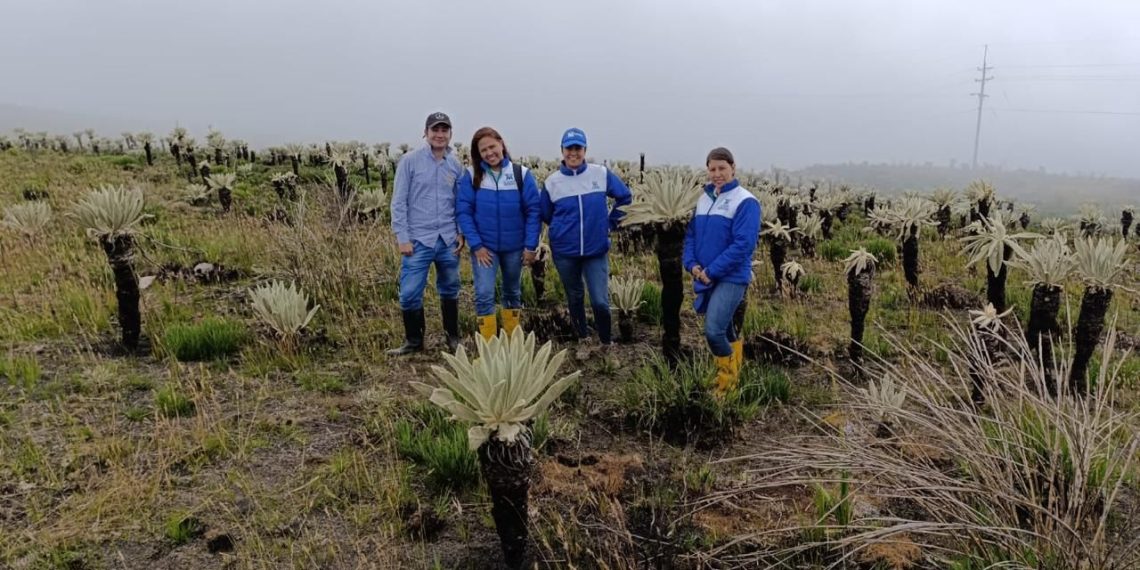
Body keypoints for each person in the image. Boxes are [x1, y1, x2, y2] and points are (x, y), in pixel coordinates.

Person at [540, 128, 632, 344]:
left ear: (585, 150)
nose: (573, 153)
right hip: (565, 252)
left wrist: (610, 223)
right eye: (569, 148)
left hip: (595, 249)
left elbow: (625, 197)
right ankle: (582, 338)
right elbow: (545, 214)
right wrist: (561, 231)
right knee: (574, 296)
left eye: (578, 148)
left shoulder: (600, 174)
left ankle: (606, 342)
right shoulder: (552, 182)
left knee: (600, 301)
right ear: (562, 151)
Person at [682, 147, 761, 396]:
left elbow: (744, 244)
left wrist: (712, 271)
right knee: (726, 330)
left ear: (733, 168)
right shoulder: (704, 199)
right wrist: (691, 264)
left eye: (722, 168)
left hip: (731, 277)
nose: (717, 174)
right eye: (712, 169)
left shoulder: (745, 201)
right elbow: (691, 236)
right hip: (706, 274)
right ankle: (734, 374)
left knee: (714, 331)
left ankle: (726, 388)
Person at [386, 111, 466, 356]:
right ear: (426, 133)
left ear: (450, 134)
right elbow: (398, 202)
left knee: (450, 288)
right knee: (410, 293)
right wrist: (402, 237)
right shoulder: (410, 162)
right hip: (418, 240)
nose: (439, 134)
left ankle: (452, 337)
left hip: (448, 239)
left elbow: (460, 202)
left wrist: (460, 232)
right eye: (435, 130)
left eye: (444, 130)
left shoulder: (456, 165)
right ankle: (414, 341)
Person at [456, 127, 542, 340]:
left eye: (492, 147)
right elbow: (464, 212)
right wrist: (476, 245)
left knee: (512, 292)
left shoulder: (521, 174)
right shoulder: (471, 176)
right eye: (483, 150)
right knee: (484, 294)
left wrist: (530, 246)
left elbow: (533, 211)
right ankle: (489, 345)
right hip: (485, 249)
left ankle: (513, 340)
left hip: (515, 248)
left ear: (501, 144)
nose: (489, 153)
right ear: (478, 154)